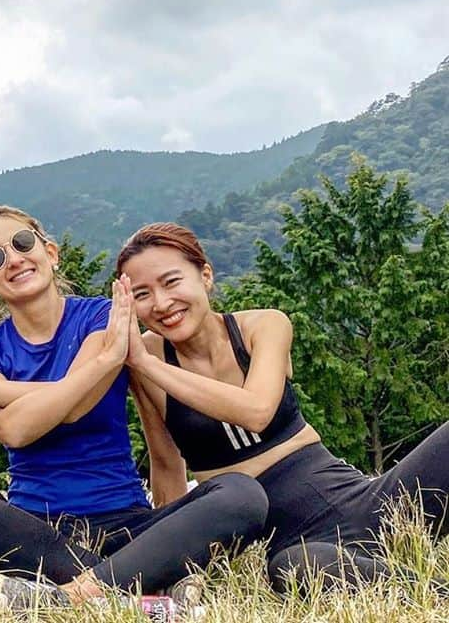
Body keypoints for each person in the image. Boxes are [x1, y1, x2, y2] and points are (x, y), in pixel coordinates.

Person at [0, 205, 268, 607]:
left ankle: (72, 594)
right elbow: (16, 431)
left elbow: (74, 405)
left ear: (50, 252)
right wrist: (106, 361)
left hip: (126, 520)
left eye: (22, 243)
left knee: (242, 495)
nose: (14, 259)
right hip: (36, 530)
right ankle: (138, 581)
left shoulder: (103, 315)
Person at [116, 221, 449, 595]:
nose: (161, 303)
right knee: (295, 569)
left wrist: (145, 364)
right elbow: (165, 465)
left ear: (205, 275)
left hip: (366, 503)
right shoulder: (148, 363)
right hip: (297, 547)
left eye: (172, 281)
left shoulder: (264, 325)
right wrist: (172, 565)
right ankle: (430, 591)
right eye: (142, 294)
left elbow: (257, 411)